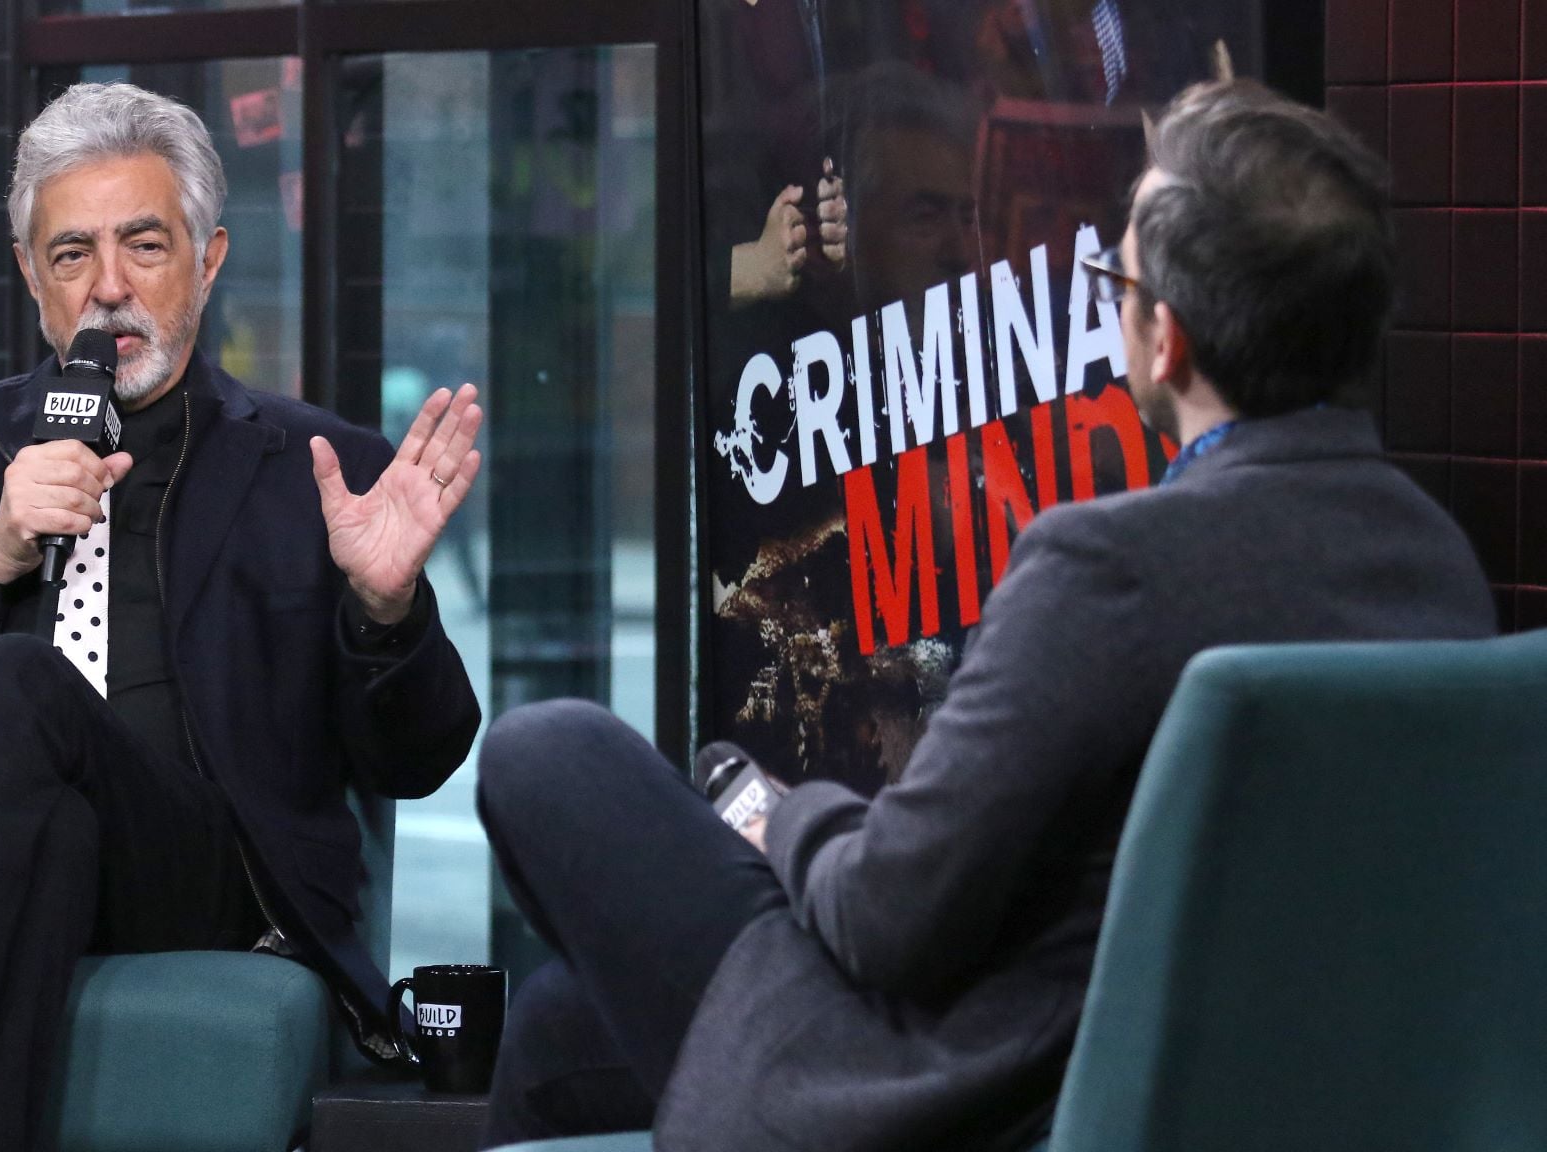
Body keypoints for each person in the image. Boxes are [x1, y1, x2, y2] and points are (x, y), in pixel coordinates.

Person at [472, 78, 1496, 1151]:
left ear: (1167, 343)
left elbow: (887, 920)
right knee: (556, 1029)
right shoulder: (1437, 567)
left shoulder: (1107, 571)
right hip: (1250, 1087)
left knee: (550, 752)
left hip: (985, 1096)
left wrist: (779, 817)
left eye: (1119, 283)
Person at [0, 82, 482, 1151]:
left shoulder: (316, 469)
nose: (108, 289)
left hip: (199, 871)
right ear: (30, 276)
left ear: (208, 260)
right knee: (49, 834)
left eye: (144, 245)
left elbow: (417, 760)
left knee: (15, 681)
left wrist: (386, 606)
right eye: (71, 254)